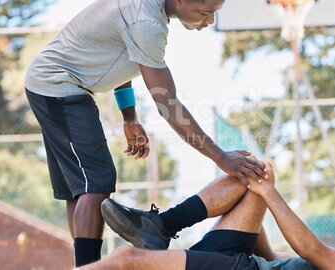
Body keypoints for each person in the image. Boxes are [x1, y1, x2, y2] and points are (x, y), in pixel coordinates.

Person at [24, 0, 266, 266]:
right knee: (96, 183)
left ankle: (85, 264)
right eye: (205, 13)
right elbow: (168, 105)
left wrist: (130, 116)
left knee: (81, 188)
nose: (209, 22)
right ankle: (89, 267)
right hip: (59, 85)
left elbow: (118, 52)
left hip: (49, 85)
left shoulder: (144, 11)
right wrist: (221, 157)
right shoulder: (146, 22)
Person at [82, 160, 335, 270]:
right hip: (248, 261)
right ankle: (161, 225)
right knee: (253, 170)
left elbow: (312, 250)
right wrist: (256, 210)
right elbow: (279, 256)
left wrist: (269, 195)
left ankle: (160, 227)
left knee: (127, 259)